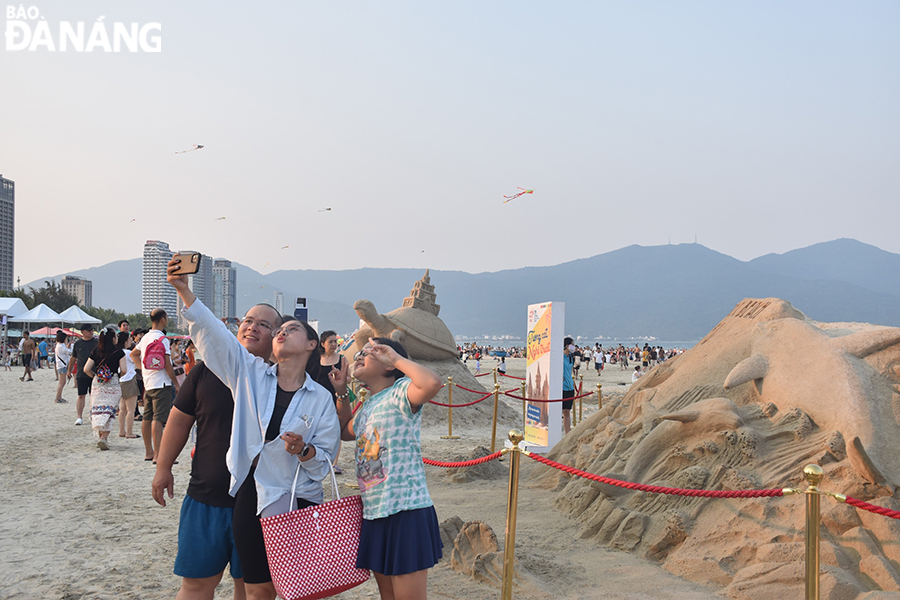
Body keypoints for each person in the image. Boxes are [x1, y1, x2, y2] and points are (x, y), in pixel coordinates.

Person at [169, 259, 340, 600]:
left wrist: (303, 451)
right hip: (250, 494)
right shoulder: (250, 374)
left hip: (296, 499)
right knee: (258, 588)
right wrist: (185, 290)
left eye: (290, 329)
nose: (281, 333)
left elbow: (324, 463)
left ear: (311, 345)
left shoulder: (320, 398)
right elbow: (216, 338)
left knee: (293, 589)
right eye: (279, 331)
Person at [152, 304, 283, 600]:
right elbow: (178, 420)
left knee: (254, 589)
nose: (252, 327)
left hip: (260, 502)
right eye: (248, 321)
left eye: (263, 324)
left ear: (277, 336)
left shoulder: (281, 381)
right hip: (206, 496)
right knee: (196, 585)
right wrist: (163, 467)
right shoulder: (204, 371)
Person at [341, 338, 443, 600]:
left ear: (387, 365)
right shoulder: (368, 405)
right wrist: (341, 391)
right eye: (359, 353)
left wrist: (395, 358)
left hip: (405, 510)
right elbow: (345, 431)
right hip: (375, 512)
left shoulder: (401, 392)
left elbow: (431, 383)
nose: (359, 357)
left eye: (370, 353)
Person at [131, 309, 180, 463]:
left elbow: (133, 354)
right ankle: (159, 455)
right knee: (158, 420)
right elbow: (167, 365)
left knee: (147, 417)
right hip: (162, 383)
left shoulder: (145, 338)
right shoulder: (162, 339)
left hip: (148, 384)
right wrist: (177, 384)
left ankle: (149, 452)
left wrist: (142, 369)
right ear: (163, 320)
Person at [83, 327, 126, 451]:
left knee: (98, 410)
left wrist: (95, 377)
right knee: (110, 411)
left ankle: (101, 436)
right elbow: (124, 370)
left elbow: (86, 369)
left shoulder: (96, 351)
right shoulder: (119, 352)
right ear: (113, 339)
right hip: (112, 383)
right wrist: (117, 377)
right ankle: (104, 437)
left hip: (97, 384)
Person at [318, 330, 351, 474]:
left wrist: (340, 378)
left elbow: (349, 378)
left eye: (335, 341)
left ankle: (334, 462)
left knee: (337, 428)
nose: (333, 344)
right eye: (330, 341)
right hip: (319, 398)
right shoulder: (316, 359)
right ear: (322, 344)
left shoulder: (342, 359)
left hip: (337, 397)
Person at [69, 324, 98, 425]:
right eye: (89, 330)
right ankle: (79, 417)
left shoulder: (96, 343)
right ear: (83, 332)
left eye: (92, 330)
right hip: (81, 373)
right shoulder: (78, 344)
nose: (91, 332)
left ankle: (93, 414)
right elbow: (73, 358)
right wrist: (69, 370)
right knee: (81, 395)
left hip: (94, 373)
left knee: (93, 395)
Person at [117, 331, 140, 439]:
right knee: (131, 409)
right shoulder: (127, 353)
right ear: (126, 341)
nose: (131, 341)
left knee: (122, 408)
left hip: (120, 380)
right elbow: (138, 363)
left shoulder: (118, 352)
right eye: (129, 339)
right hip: (129, 380)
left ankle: (122, 430)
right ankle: (129, 432)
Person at [53, 331, 72, 404]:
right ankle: (57, 398)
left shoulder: (60, 345)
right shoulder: (60, 346)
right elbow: (69, 352)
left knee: (62, 382)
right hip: (62, 366)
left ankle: (59, 397)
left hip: (61, 365)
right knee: (62, 383)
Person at [562, 337, 575, 434]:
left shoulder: (571, 357)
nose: (573, 347)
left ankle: (567, 433)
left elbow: (570, 370)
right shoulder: (560, 356)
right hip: (561, 387)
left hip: (570, 386)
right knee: (560, 411)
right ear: (567, 345)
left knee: (567, 411)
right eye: (572, 344)